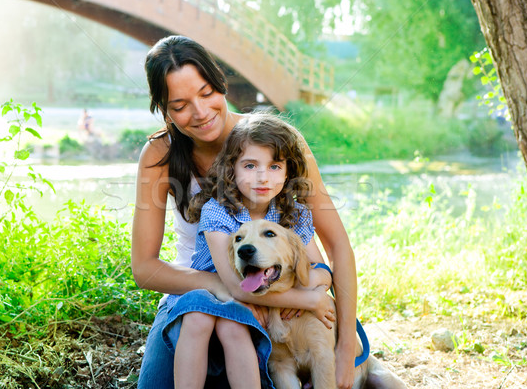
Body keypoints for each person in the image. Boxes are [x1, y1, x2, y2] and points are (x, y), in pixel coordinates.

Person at [132, 35, 358, 389]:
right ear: (164, 109)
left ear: (222, 83)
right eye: (180, 105)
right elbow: (144, 269)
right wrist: (229, 287)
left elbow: (336, 247)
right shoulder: (159, 154)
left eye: (207, 93)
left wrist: (346, 348)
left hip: (273, 293)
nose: (201, 112)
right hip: (198, 292)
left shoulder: (275, 142)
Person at [162, 114, 334, 388]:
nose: (262, 177)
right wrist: (308, 300)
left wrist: (318, 281)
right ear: (232, 170)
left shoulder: (294, 213)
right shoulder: (217, 211)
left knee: (233, 326)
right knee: (199, 317)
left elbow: (318, 267)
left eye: (275, 166)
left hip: (252, 302)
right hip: (214, 291)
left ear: (288, 171)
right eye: (250, 165)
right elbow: (237, 287)